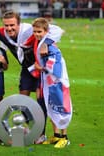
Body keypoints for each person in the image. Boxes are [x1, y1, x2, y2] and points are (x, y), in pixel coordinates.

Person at [0, 10, 64, 144]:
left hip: (41, 68)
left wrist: (45, 43)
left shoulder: (28, 29)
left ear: (19, 23)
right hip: (27, 69)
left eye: (12, 25)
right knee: (23, 99)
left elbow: (58, 30)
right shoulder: (3, 34)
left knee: (41, 100)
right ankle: (33, 128)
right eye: (6, 25)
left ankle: (42, 134)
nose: (9, 28)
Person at [32, 17, 73, 148]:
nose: (37, 34)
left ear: (46, 31)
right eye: (35, 31)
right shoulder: (44, 43)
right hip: (49, 82)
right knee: (51, 107)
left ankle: (65, 137)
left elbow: (56, 69)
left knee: (62, 108)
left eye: (39, 31)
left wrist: (40, 68)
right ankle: (56, 136)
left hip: (59, 83)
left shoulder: (51, 47)